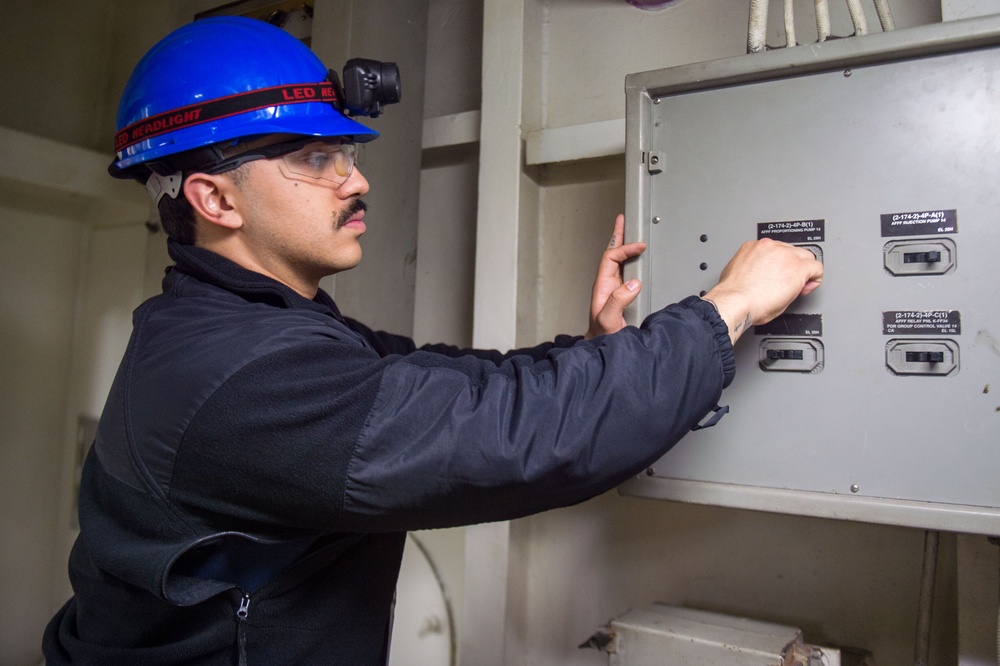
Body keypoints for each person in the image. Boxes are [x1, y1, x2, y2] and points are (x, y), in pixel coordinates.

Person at [42, 16, 823, 666]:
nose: (356, 180)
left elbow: (452, 385)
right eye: (316, 158)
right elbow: (510, 436)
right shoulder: (241, 376)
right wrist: (730, 305)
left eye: (347, 154)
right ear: (216, 198)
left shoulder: (256, 331)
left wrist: (596, 347)